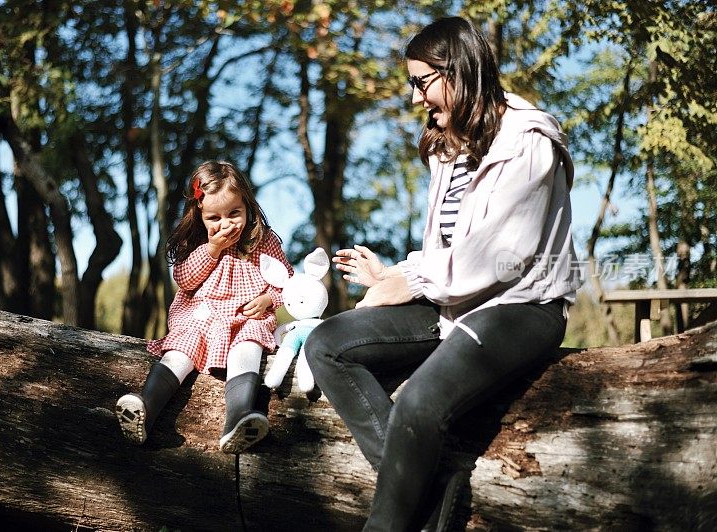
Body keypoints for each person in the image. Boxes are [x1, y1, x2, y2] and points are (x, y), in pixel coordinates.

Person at [304, 16, 583, 531]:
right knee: (325, 343)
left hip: (522, 305)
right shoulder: (447, 145)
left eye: (421, 82)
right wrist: (395, 272)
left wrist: (408, 282)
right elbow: (448, 249)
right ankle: (434, 493)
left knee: (418, 400)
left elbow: (503, 254)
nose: (416, 99)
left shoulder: (529, 142)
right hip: (452, 303)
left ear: (458, 71)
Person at [115, 160, 292, 454]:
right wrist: (213, 249)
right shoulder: (197, 240)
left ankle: (238, 418)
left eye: (234, 213)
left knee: (247, 348)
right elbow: (184, 279)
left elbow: (287, 281)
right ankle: (145, 406)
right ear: (200, 214)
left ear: (248, 205)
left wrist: (269, 300)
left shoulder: (262, 240)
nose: (225, 224)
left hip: (244, 317)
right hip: (201, 314)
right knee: (181, 350)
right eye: (214, 218)